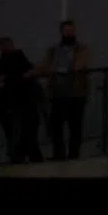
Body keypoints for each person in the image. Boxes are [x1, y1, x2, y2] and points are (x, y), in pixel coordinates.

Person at [36, 20, 90, 160]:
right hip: (57, 94)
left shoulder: (81, 49)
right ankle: (59, 155)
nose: (69, 33)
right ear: (62, 32)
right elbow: (43, 66)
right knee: (57, 128)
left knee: (75, 127)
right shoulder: (53, 50)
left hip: (76, 93)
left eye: (71, 30)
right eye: (67, 30)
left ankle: (73, 155)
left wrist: (55, 70)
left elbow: (77, 66)